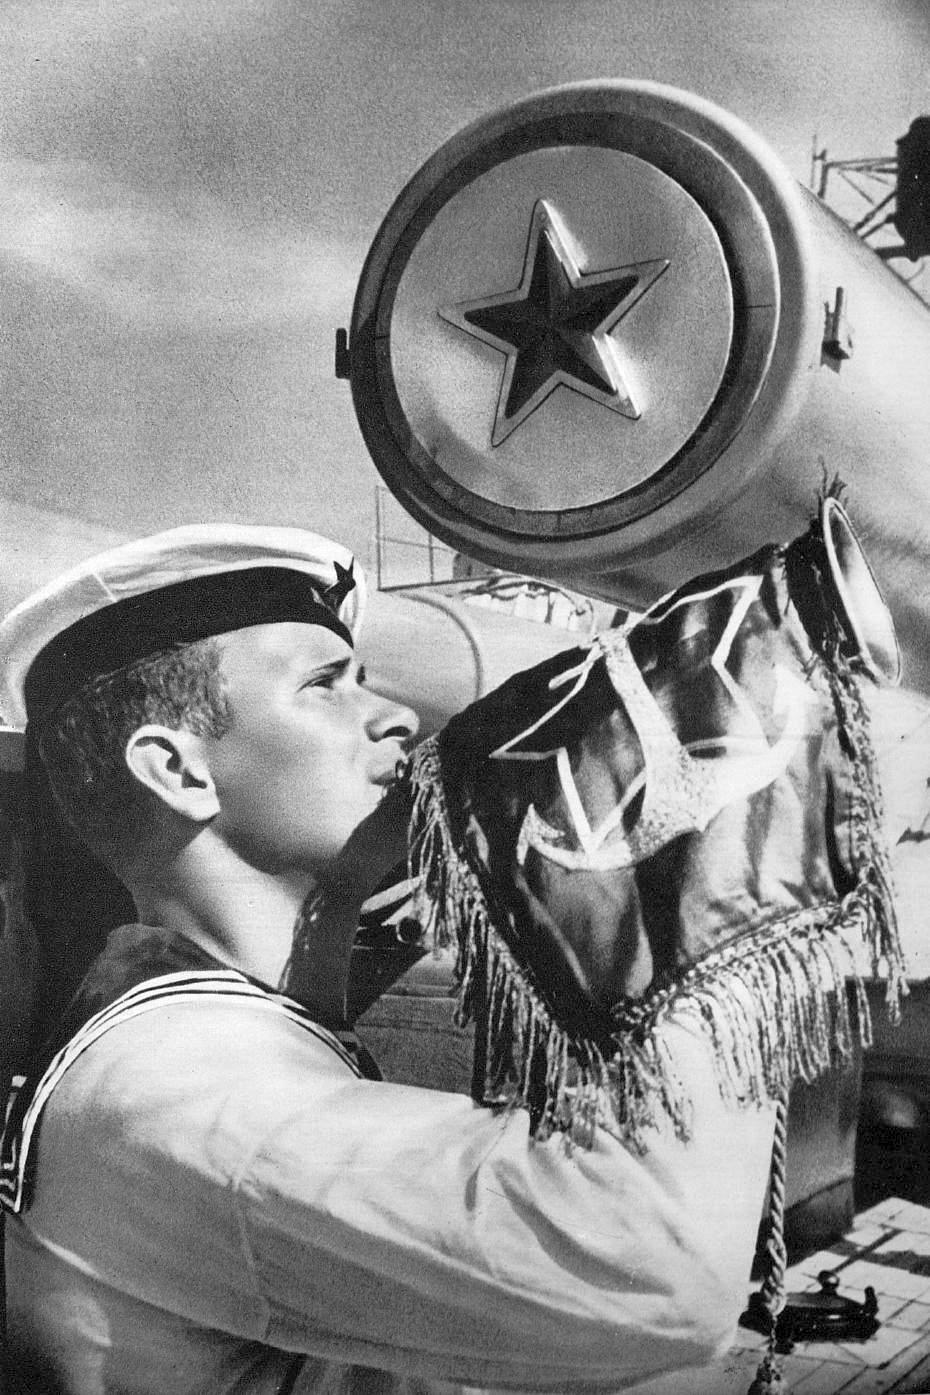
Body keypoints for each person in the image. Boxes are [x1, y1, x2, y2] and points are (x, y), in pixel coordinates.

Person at [0, 523, 775, 1395]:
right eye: (324, 685)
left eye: (363, 678)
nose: (396, 716)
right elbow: (656, 1269)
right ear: (179, 772)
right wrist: (706, 876)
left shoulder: (192, 1028)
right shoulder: (181, 1086)